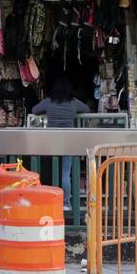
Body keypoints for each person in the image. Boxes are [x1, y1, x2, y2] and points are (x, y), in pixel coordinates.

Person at [31, 78, 91, 211]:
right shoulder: (73, 103)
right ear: (69, 90)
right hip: (68, 141)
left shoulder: (48, 102)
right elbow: (87, 109)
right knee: (65, 174)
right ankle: (66, 203)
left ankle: (50, 200)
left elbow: (34, 110)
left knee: (50, 171)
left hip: (51, 141)